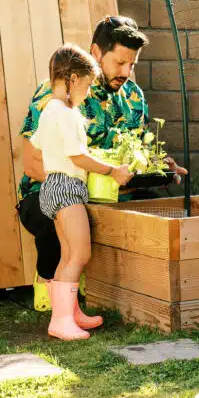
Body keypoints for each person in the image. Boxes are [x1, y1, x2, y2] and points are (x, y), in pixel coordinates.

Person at [17, 15, 187, 313]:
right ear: (96, 52)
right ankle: (49, 277)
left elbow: (138, 153)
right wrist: (82, 187)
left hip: (116, 193)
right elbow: (31, 162)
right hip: (54, 191)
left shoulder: (134, 96)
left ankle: (133, 291)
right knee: (62, 212)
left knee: (156, 212)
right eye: (120, 63)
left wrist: (159, 166)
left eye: (132, 64)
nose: (126, 71)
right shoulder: (61, 91)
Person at [31, 44, 132, 340]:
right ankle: (61, 321)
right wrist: (112, 170)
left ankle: (68, 314)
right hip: (67, 187)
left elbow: (39, 144)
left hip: (51, 186)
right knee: (80, 254)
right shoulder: (67, 113)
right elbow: (77, 156)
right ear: (73, 79)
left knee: (67, 255)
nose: (88, 93)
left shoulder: (49, 109)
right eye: (87, 85)